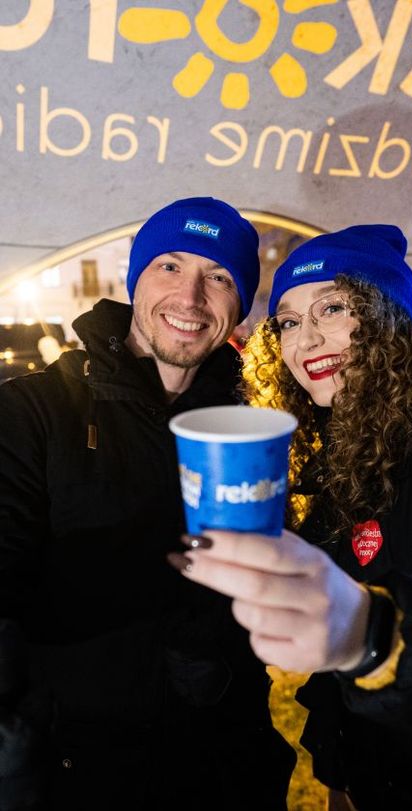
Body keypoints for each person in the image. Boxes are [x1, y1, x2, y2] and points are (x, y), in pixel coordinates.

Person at [169, 224, 412, 811]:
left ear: (390, 316)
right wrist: (338, 767)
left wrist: (377, 634)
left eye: (334, 308)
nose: (307, 339)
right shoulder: (345, 446)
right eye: (288, 322)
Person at [0, 197, 295, 811]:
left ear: (239, 305)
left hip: (220, 766)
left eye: (219, 277)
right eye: (169, 266)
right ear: (135, 279)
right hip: (76, 768)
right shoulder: (34, 410)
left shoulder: (252, 428)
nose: (190, 298)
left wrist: (219, 642)